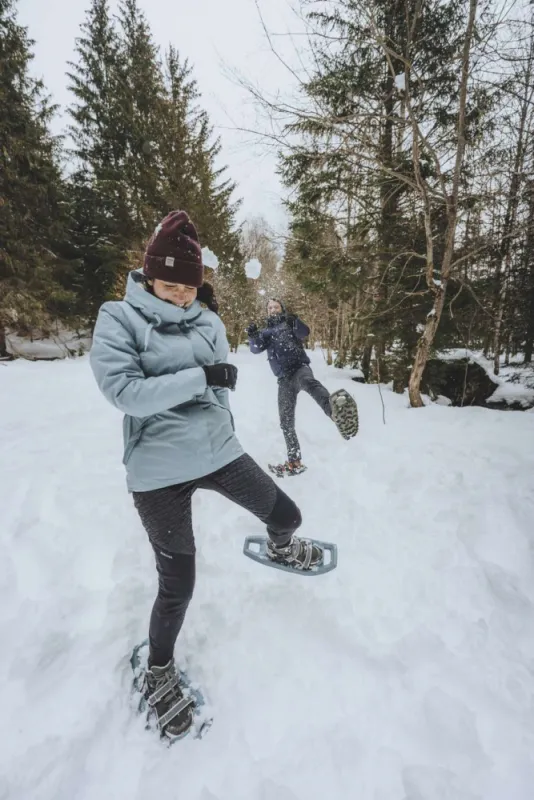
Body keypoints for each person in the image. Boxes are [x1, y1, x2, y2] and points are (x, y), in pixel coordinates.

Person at [89, 211, 323, 741]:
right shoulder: (117, 318)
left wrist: (219, 415)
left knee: (287, 513)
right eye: (169, 286)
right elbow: (125, 393)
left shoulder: (210, 322)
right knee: (179, 585)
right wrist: (200, 377)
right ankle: (158, 669)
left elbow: (219, 394)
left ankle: (282, 547)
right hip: (157, 470)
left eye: (189, 289)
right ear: (148, 276)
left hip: (217, 451)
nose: (178, 297)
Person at [247, 299, 358, 476]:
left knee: (309, 383)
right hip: (284, 379)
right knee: (286, 422)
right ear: (267, 311)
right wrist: (253, 336)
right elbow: (255, 349)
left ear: (281, 308)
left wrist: (295, 321)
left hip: (299, 369)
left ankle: (335, 413)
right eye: (270, 308)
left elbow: (304, 332)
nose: (273, 309)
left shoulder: (289, 323)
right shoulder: (265, 332)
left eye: (276, 306)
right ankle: (295, 462)